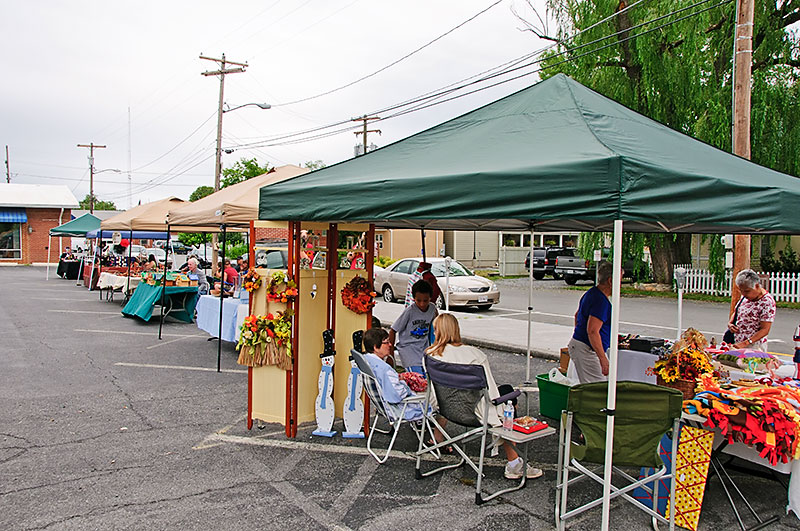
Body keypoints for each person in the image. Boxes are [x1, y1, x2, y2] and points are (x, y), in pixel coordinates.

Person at [426, 313, 543, 480]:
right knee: (508, 398)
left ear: (438, 332)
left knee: (504, 392)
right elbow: (493, 395)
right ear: (456, 330)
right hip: (474, 412)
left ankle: (438, 436)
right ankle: (514, 463)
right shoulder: (475, 355)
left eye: (435, 330)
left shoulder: (430, 355)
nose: (434, 333)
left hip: (447, 408)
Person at [568, 260, 615, 384]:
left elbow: (577, 316)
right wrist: (602, 358)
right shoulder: (601, 301)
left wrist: (579, 335)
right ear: (610, 281)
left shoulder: (592, 293)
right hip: (587, 349)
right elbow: (593, 331)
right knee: (596, 389)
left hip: (583, 346)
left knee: (595, 386)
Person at [363, 327, 425, 420]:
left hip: (384, 407)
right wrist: (405, 384)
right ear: (376, 347)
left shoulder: (367, 361)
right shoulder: (384, 369)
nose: (390, 344)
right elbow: (396, 395)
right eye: (386, 342)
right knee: (432, 396)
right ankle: (432, 426)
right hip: (399, 410)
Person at [389, 280, 438, 376]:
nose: (422, 304)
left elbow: (438, 327)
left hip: (424, 349)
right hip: (408, 349)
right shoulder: (409, 311)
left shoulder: (433, 309)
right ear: (414, 298)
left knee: (429, 377)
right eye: (418, 300)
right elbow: (393, 330)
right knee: (417, 377)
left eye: (425, 300)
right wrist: (391, 356)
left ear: (430, 298)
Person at [727, 269, 776, 352]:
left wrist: (745, 343)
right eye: (741, 290)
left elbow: (765, 330)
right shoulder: (745, 297)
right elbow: (737, 311)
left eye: (747, 291)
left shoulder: (767, 302)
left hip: (754, 346)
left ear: (756, 286)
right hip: (737, 342)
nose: (743, 294)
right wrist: (730, 323)